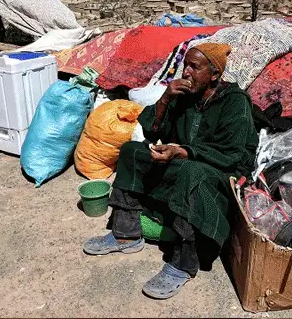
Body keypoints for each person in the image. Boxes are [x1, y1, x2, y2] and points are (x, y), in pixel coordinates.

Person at [83, 43, 259, 299]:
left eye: (194, 67)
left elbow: (234, 154)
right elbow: (152, 131)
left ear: (213, 74)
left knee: (191, 173)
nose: (185, 72)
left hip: (221, 172)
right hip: (185, 161)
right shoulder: (184, 96)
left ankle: (184, 262)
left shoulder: (234, 102)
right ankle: (125, 234)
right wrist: (165, 99)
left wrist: (184, 151)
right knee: (133, 151)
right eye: (185, 65)